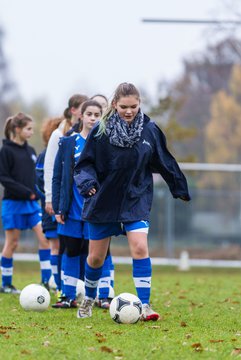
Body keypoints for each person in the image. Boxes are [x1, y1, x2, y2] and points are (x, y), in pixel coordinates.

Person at [74, 82, 191, 320]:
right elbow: (85, 164)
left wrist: (179, 186)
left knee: (139, 247)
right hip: (103, 200)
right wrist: (87, 184)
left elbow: (164, 160)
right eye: (124, 107)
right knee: (96, 257)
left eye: (134, 107)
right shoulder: (100, 131)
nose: (129, 111)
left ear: (140, 105)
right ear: (115, 104)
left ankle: (145, 305)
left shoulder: (150, 130)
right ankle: (88, 299)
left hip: (135, 198)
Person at [51, 100, 102, 308]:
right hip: (71, 210)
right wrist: (57, 206)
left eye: (97, 114)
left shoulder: (104, 144)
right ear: (80, 116)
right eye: (89, 113)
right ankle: (68, 295)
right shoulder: (68, 143)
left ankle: (100, 295)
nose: (92, 118)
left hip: (95, 210)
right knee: (70, 250)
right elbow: (58, 177)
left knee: (97, 253)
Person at [0, 112, 51, 294]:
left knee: (45, 239)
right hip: (13, 204)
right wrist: (26, 192)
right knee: (12, 243)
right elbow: (4, 178)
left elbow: (35, 177)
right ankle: (6, 284)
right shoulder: (6, 151)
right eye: (28, 129)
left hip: (32, 205)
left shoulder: (31, 151)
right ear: (17, 129)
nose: (31, 132)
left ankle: (46, 281)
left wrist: (38, 193)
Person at [43, 94, 88, 294]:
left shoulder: (92, 139)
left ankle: (85, 288)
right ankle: (61, 286)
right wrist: (50, 197)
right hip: (65, 201)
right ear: (75, 111)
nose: (92, 116)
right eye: (86, 111)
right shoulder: (59, 136)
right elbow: (52, 169)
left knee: (87, 249)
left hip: (86, 206)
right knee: (63, 245)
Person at [35, 116, 63, 293]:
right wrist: (52, 200)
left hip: (67, 210)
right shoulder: (44, 156)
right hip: (51, 210)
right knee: (55, 245)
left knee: (68, 247)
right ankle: (54, 282)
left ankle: (65, 282)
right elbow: (39, 183)